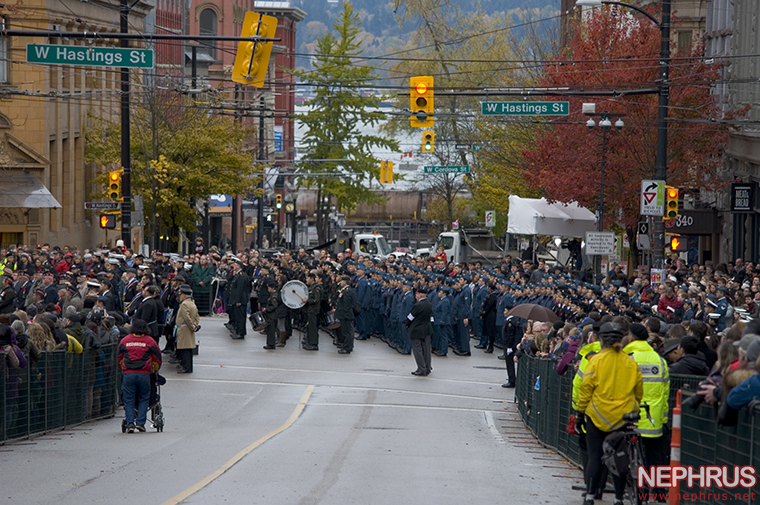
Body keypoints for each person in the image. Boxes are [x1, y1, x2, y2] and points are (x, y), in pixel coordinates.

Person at [576, 322, 643, 505]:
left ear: (599, 339)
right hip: (622, 417)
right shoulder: (630, 362)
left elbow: (585, 389)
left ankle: (590, 495)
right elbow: (638, 391)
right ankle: (618, 498)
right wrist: (633, 406)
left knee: (595, 457)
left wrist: (580, 412)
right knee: (620, 458)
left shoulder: (595, 361)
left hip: (597, 415)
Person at [623, 322, 670, 502]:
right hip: (654, 418)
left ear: (632, 337)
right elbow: (665, 392)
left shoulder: (628, 357)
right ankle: (659, 493)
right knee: (655, 457)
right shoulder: (660, 360)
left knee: (630, 455)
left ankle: (637, 490)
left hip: (631, 415)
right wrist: (663, 418)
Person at [117, 319, 162, 433]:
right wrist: (155, 369)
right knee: (144, 398)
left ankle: (130, 423)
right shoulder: (150, 341)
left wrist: (123, 368)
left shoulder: (125, 341)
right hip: (144, 374)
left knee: (129, 400)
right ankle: (141, 423)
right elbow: (157, 358)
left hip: (128, 374)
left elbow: (119, 357)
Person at [407, 287, 433, 376]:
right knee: (426, 350)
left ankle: (421, 368)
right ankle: (427, 367)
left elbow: (410, 317)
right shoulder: (429, 304)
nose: (416, 296)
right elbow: (431, 318)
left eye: (416, 294)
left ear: (420, 295)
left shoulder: (417, 305)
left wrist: (406, 324)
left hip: (416, 330)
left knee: (417, 350)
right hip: (426, 329)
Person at [174, 284, 199, 374]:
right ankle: (187, 366)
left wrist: (192, 326)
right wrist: (195, 325)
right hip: (189, 328)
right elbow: (197, 316)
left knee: (184, 349)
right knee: (188, 349)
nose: (180, 297)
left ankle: (186, 367)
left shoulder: (184, 304)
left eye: (181, 295)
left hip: (184, 328)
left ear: (184, 295)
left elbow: (186, 317)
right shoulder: (192, 303)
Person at [227, 260, 250, 339]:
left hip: (240, 300)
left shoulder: (241, 275)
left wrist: (238, 300)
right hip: (237, 299)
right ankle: (239, 331)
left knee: (240, 317)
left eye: (235, 265)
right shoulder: (237, 275)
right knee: (237, 316)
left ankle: (240, 333)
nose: (234, 266)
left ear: (239, 266)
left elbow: (240, 289)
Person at [334, 275, 356, 354]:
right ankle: (347, 346)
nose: (341, 282)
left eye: (342, 281)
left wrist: (345, 314)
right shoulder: (345, 290)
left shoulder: (346, 291)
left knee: (346, 332)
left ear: (345, 282)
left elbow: (347, 304)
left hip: (345, 315)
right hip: (345, 314)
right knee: (347, 331)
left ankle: (347, 347)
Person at [302, 272, 322, 350]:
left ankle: (314, 344)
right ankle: (309, 342)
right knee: (309, 327)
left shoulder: (316, 288)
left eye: (307, 278)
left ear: (311, 279)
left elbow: (316, 300)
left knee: (313, 328)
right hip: (309, 310)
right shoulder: (310, 287)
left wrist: (306, 301)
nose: (306, 280)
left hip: (313, 310)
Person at [263, 280, 279, 349]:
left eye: (269, 288)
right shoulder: (272, 295)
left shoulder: (274, 296)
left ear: (272, 288)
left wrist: (267, 309)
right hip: (271, 315)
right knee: (270, 330)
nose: (268, 289)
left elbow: (274, 305)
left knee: (271, 330)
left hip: (272, 315)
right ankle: (270, 343)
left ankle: (271, 344)